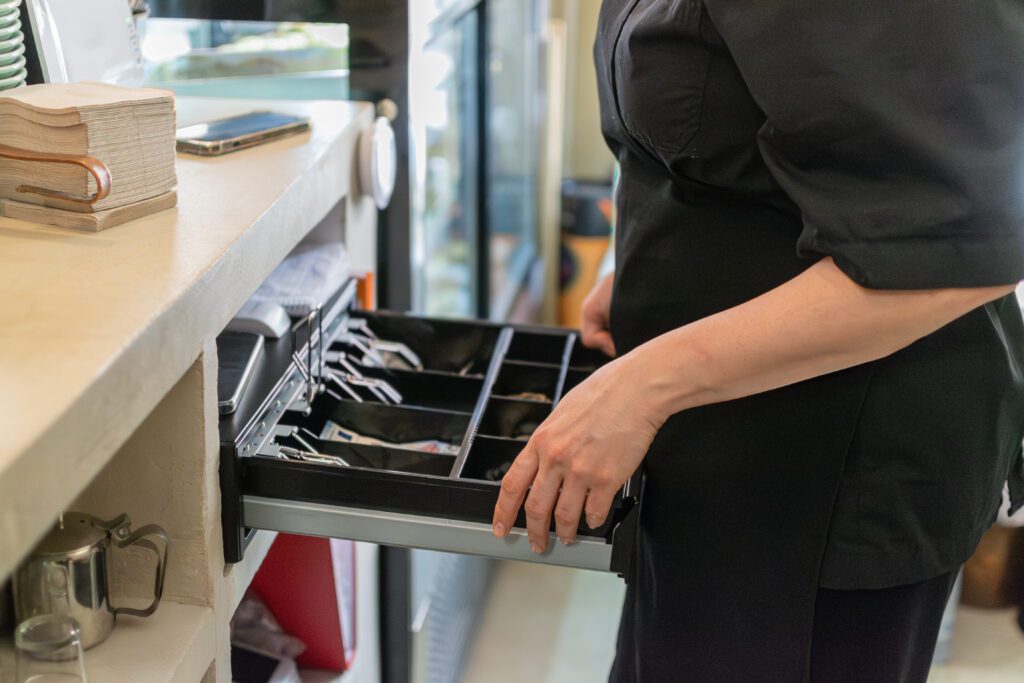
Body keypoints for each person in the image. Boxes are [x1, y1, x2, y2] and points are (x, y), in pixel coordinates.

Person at [491, 2, 1024, 681]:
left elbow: (958, 249)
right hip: (713, 441)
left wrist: (643, 385)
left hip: (827, 482)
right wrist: (643, 259)